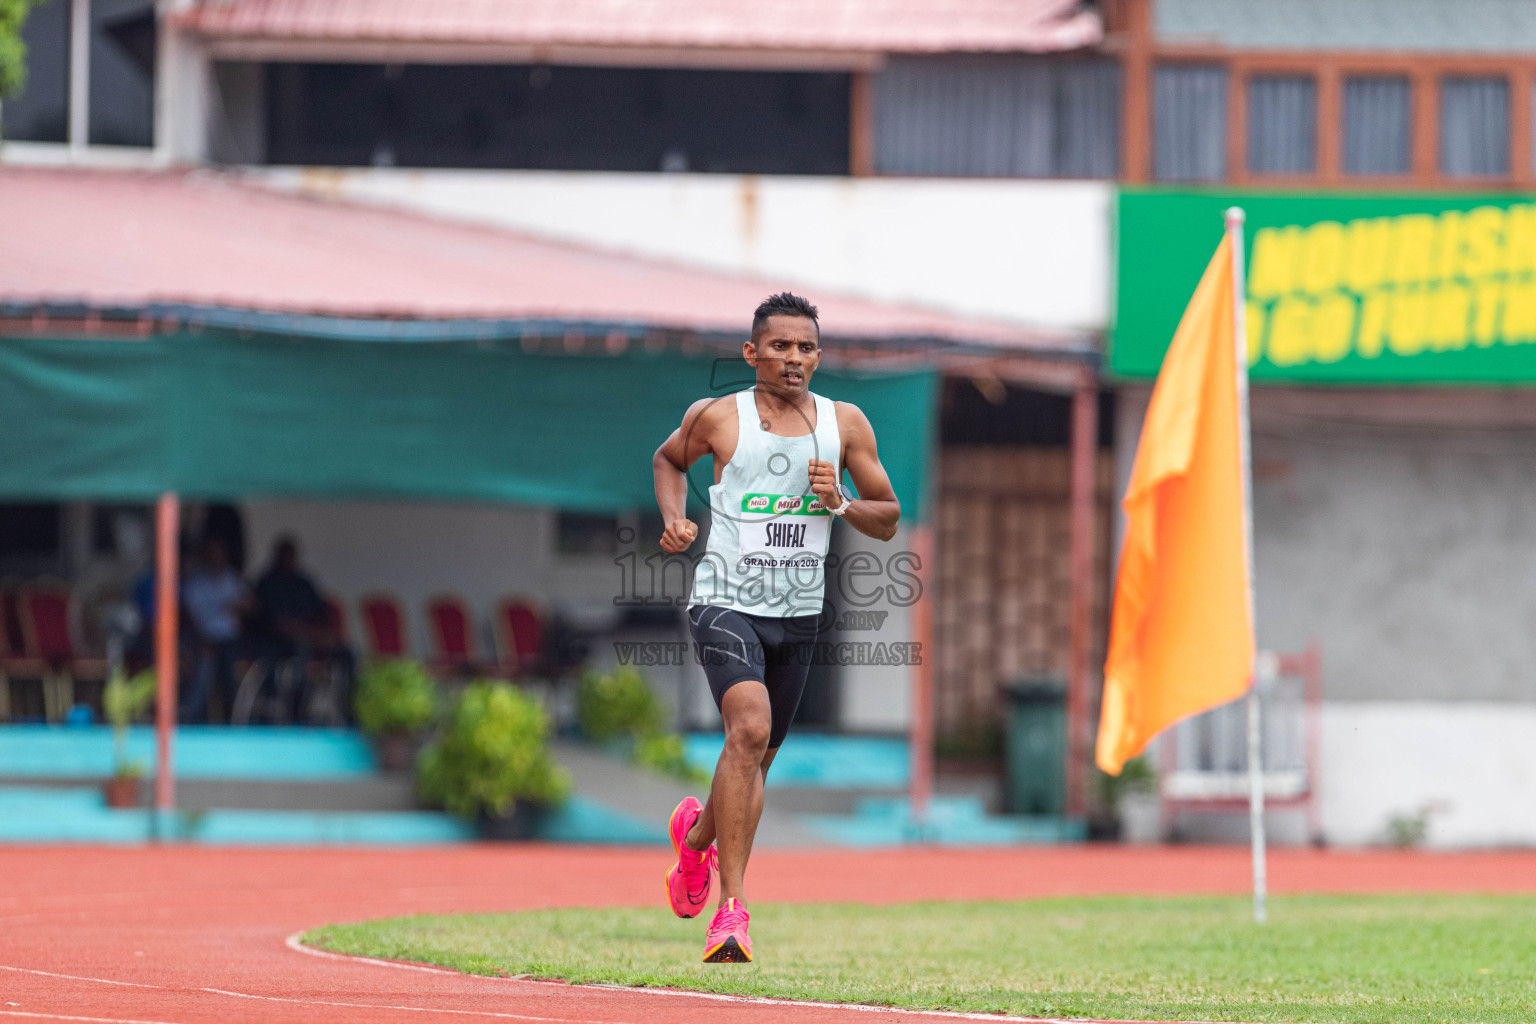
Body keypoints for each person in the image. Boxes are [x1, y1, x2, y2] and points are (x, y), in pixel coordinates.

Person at [652, 291, 901, 963]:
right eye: (781, 346)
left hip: (798, 615)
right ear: (752, 352)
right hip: (724, 602)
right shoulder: (716, 417)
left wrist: (841, 502)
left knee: (755, 761)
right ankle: (731, 913)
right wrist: (676, 519)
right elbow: (668, 460)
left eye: (806, 347)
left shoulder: (844, 425)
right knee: (750, 728)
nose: (794, 358)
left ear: (819, 357)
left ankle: (696, 839)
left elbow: (889, 515)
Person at [249, 536, 355, 723]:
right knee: (300, 652)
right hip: (279, 643)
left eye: (292, 555)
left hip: (312, 637)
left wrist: (325, 632)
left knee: (348, 653)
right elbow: (270, 621)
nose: (288, 559)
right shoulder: (266, 583)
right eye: (285, 555)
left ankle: (350, 713)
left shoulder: (304, 582)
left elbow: (322, 612)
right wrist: (303, 632)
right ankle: (298, 712)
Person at [179, 536, 250, 723]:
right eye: (211, 553)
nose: (215, 557)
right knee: (203, 667)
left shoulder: (231, 578)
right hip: (201, 638)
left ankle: (231, 719)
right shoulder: (196, 581)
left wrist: (241, 606)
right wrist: (203, 640)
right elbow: (190, 616)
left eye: (218, 553)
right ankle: (193, 718)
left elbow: (252, 605)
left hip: (229, 639)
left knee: (229, 672)